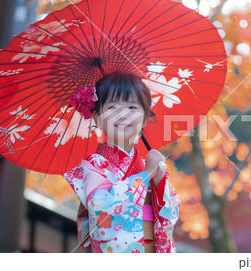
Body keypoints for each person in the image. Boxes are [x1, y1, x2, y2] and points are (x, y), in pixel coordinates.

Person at [63, 71, 180, 253]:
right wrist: (146, 175)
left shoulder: (147, 164)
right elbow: (100, 206)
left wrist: (159, 182)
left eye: (132, 107)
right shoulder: (94, 166)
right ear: (96, 118)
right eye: (112, 107)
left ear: (146, 118)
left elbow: (170, 215)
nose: (123, 114)